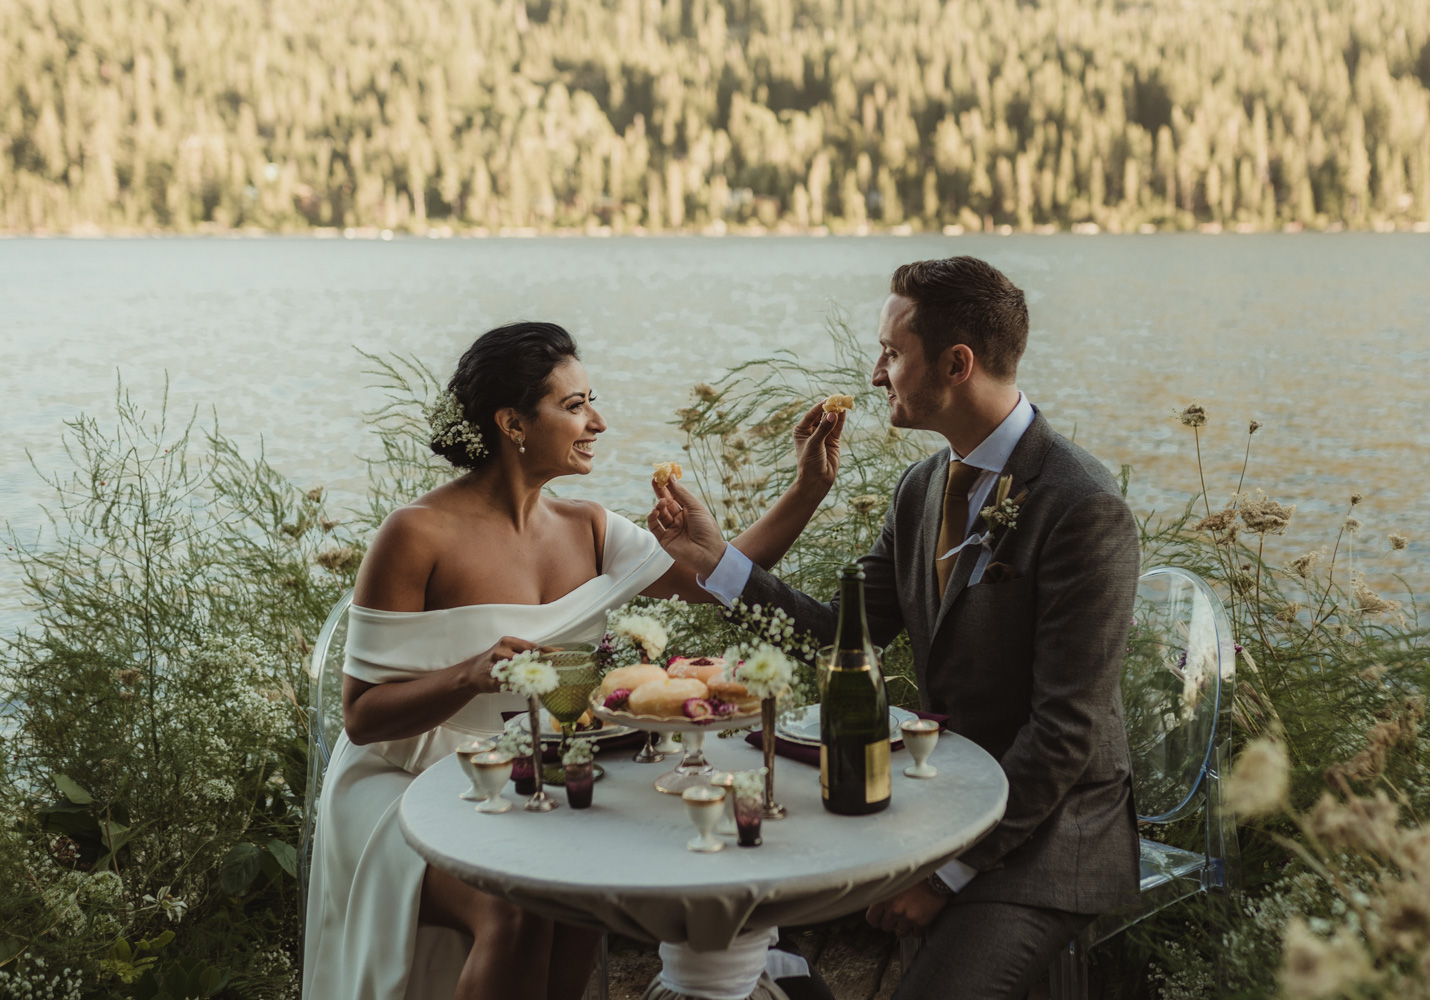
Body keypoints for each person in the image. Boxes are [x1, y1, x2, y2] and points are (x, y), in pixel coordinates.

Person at [301, 321, 844, 1000]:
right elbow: (360, 718)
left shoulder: (587, 526)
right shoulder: (415, 535)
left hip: (533, 770)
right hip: (403, 784)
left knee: (580, 895)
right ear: (512, 423)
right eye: (575, 405)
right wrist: (468, 674)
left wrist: (808, 488)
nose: (598, 422)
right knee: (515, 903)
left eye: (592, 402)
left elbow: (721, 576)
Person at [648, 256, 1141, 1000]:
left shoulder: (1083, 507)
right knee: (740, 928)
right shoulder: (921, 490)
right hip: (938, 803)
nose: (877, 374)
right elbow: (834, 637)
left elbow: (1066, 730)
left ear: (956, 363)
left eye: (891, 353)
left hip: (1049, 835)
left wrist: (944, 875)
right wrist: (717, 562)